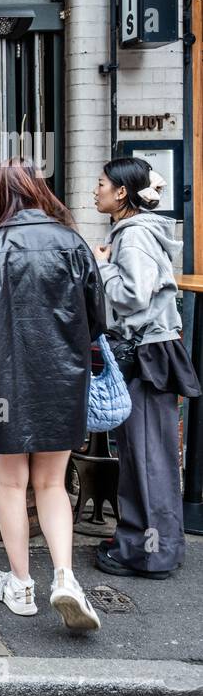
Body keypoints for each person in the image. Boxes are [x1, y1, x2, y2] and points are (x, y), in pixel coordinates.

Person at [0, 159, 103, 631]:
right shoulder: (72, 242)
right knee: (53, 484)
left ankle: (21, 584)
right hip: (61, 379)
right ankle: (66, 577)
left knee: (11, 485)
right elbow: (98, 316)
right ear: (39, 191)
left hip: (2, 382)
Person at [93, 157, 201, 580]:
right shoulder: (133, 231)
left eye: (101, 184)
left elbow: (134, 297)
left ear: (122, 193)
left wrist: (102, 265)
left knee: (148, 456)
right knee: (142, 453)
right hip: (149, 352)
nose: (95, 190)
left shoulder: (133, 237)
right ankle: (137, 543)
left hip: (145, 354)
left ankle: (152, 554)